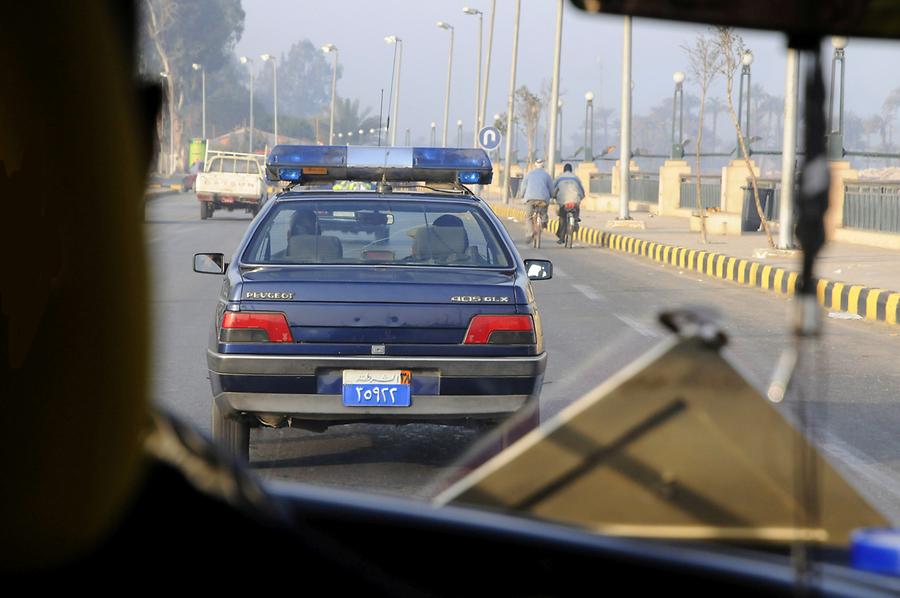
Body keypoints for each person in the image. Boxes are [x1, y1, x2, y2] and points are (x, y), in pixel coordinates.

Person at [516, 158, 554, 243]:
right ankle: (544, 222)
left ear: (535, 165)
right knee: (544, 212)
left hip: (530, 199)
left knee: (529, 216)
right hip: (543, 199)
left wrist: (521, 196)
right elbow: (551, 189)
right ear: (543, 166)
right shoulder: (547, 175)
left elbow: (523, 187)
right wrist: (552, 196)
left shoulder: (529, 174)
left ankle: (530, 233)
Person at [553, 163, 586, 244]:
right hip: (575, 200)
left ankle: (561, 236)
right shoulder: (576, 178)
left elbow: (553, 190)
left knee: (562, 217)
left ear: (564, 170)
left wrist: (554, 197)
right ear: (571, 170)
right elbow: (582, 192)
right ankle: (576, 220)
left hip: (563, 201)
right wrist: (580, 198)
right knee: (576, 208)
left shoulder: (559, 178)